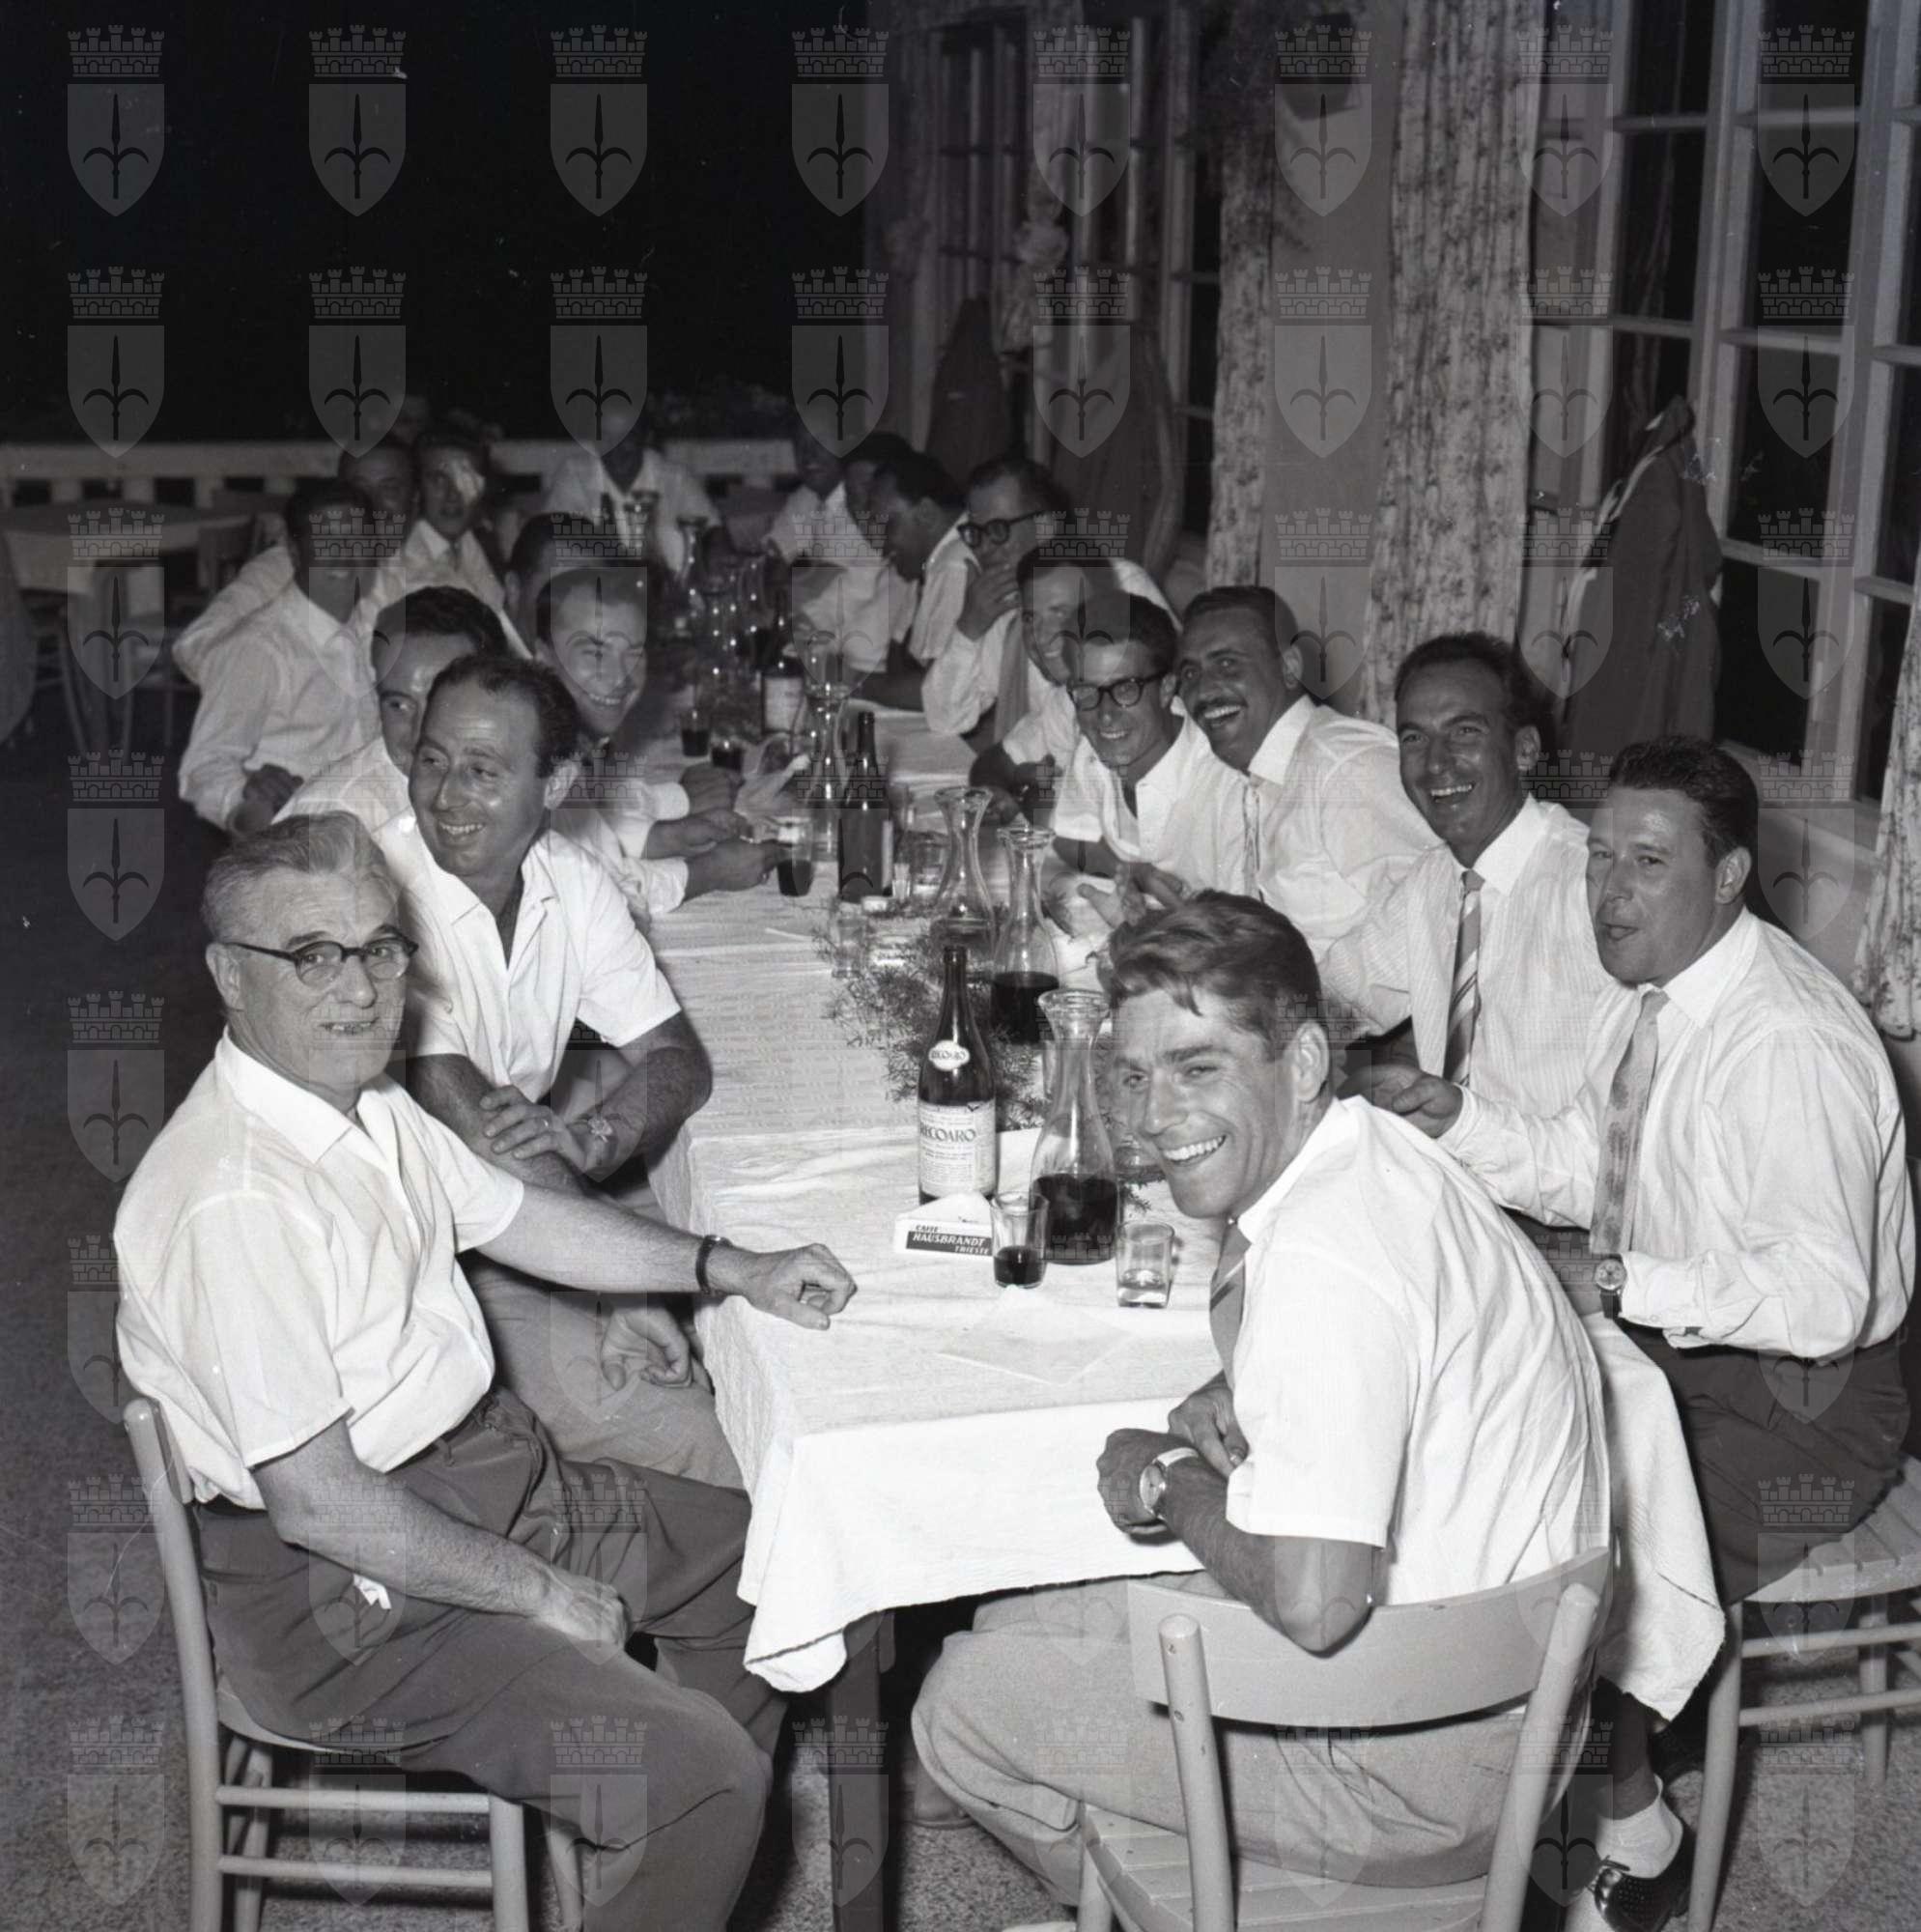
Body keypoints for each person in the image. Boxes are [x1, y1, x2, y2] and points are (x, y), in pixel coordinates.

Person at [114, 811, 857, 1929]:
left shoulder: (363, 1102)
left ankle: (654, 1864)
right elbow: (320, 1503)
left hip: (480, 1481)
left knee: (770, 1564)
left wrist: (727, 1265)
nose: (360, 988)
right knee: (705, 1777)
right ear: (230, 974)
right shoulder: (234, 1197)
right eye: (312, 955)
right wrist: (540, 1592)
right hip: (349, 1594)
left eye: (380, 947)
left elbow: (524, 1218)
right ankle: (681, 1806)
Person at [911, 893, 1606, 1917]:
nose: (1152, 1117)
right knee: (1009, 1622)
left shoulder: (1326, 1255)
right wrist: (1242, 1381)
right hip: (1506, 1696)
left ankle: (1166, 1908)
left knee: (959, 1706)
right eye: (1133, 1075)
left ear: (1308, 1060)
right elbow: (1393, 1342)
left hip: (1414, 1771)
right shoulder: (1377, 1156)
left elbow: (1316, 1605)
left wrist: (1164, 1476)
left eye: (1198, 1068)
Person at [1382, 737, 1913, 1930]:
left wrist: (1619, 1279)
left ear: (1727, 875)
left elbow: (1826, 1295)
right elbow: (1589, 1162)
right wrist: (1456, 1117)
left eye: (1648, 862)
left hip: (1808, 1399)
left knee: (1576, 1547)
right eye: (1599, 858)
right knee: (1477, 1458)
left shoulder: (1784, 1040)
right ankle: (1565, 1784)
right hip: (1686, 1350)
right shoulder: (1660, 998)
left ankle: (1628, 1822)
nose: (1609, 891)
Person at [378, 653, 746, 1485]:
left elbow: (677, 1060)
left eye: (482, 771)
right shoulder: (380, 900)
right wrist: (624, 1287)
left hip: (529, 1214)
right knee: (716, 1441)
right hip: (427, 1266)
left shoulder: (569, 880)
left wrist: (596, 1136)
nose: (445, 796)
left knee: (757, 1316)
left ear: (557, 785)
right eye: (432, 760)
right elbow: (488, 1136)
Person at [1320, 632, 1612, 1111]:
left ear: (1524, 750)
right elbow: (1338, 995)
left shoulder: (1589, 883)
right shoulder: (1433, 880)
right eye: (1414, 738)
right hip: (1446, 1151)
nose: (1435, 763)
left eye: (1464, 732)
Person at [1174, 586, 1437, 955]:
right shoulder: (1253, 776)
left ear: (1289, 667)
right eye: (1189, 673)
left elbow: (1437, 919)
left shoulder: (1344, 767)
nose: (1203, 691)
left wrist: (1323, 987)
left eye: (1227, 664)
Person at [530, 565, 782, 916]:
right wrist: (709, 872)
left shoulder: (569, 742)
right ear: (543, 656)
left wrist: (667, 835)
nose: (620, 676)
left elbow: (589, 831)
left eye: (634, 652)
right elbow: (602, 894)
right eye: (595, 652)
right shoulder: (533, 759)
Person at [179, 480, 383, 834]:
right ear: (294, 550)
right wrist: (245, 795)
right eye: (325, 540)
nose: (344, 554)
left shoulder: (370, 626)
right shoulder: (260, 648)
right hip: (298, 836)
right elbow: (203, 768)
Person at [1046, 580, 1255, 915]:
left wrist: (1176, 914)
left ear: (1166, 689)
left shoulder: (1226, 783)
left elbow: (1249, 931)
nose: (1105, 715)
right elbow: (1069, 836)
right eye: (1087, 691)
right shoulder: (1092, 754)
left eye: (1126, 689)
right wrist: (1132, 872)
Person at [173, 439, 417, 684]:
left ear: (415, 500)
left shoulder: (416, 564)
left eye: (390, 489)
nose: (372, 504)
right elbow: (195, 646)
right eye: (359, 489)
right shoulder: (287, 567)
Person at [276, 587, 515, 833]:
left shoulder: (518, 781)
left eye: (442, 703)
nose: (419, 733)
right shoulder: (337, 819)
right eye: (398, 705)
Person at [970, 547, 1174, 814]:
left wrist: (1034, 797)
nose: (1041, 636)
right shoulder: (1069, 698)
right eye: (1031, 618)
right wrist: (1015, 781)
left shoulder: (1150, 700)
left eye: (1062, 614)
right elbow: (993, 763)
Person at [918, 455, 1069, 740]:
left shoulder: (1117, 586)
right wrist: (968, 628)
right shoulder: (1003, 614)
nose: (984, 548)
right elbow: (945, 718)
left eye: (998, 530)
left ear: (1046, 528)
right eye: (975, 533)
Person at [772, 424, 911, 676]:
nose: (863, 510)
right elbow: (829, 606)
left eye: (872, 493)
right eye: (852, 497)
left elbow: (865, 652)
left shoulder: (922, 565)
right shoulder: (879, 555)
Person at [848, 450, 969, 713]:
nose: (881, 546)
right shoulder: (924, 560)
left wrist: (854, 683)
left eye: (889, 526)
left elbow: (936, 692)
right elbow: (898, 654)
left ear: (926, 513)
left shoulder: (956, 562)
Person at [541, 398, 717, 576]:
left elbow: (714, 533)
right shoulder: (574, 476)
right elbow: (548, 544)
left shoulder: (676, 479)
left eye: (627, 437)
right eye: (606, 437)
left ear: (646, 437)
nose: (615, 448)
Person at [363, 422, 510, 614]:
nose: (453, 495)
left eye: (466, 479)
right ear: (417, 488)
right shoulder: (402, 567)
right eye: (438, 480)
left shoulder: (471, 545)